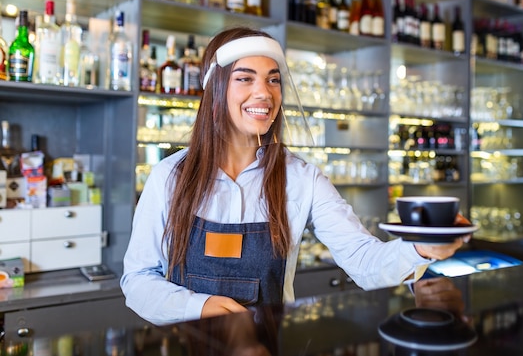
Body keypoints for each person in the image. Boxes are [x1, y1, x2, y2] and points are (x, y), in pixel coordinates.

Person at [121, 26, 470, 326]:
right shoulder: (170, 176)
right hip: (188, 343)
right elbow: (138, 281)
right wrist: (198, 307)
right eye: (245, 79)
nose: (264, 93)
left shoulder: (302, 179)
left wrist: (420, 249)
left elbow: (364, 261)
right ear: (216, 90)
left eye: (274, 80)